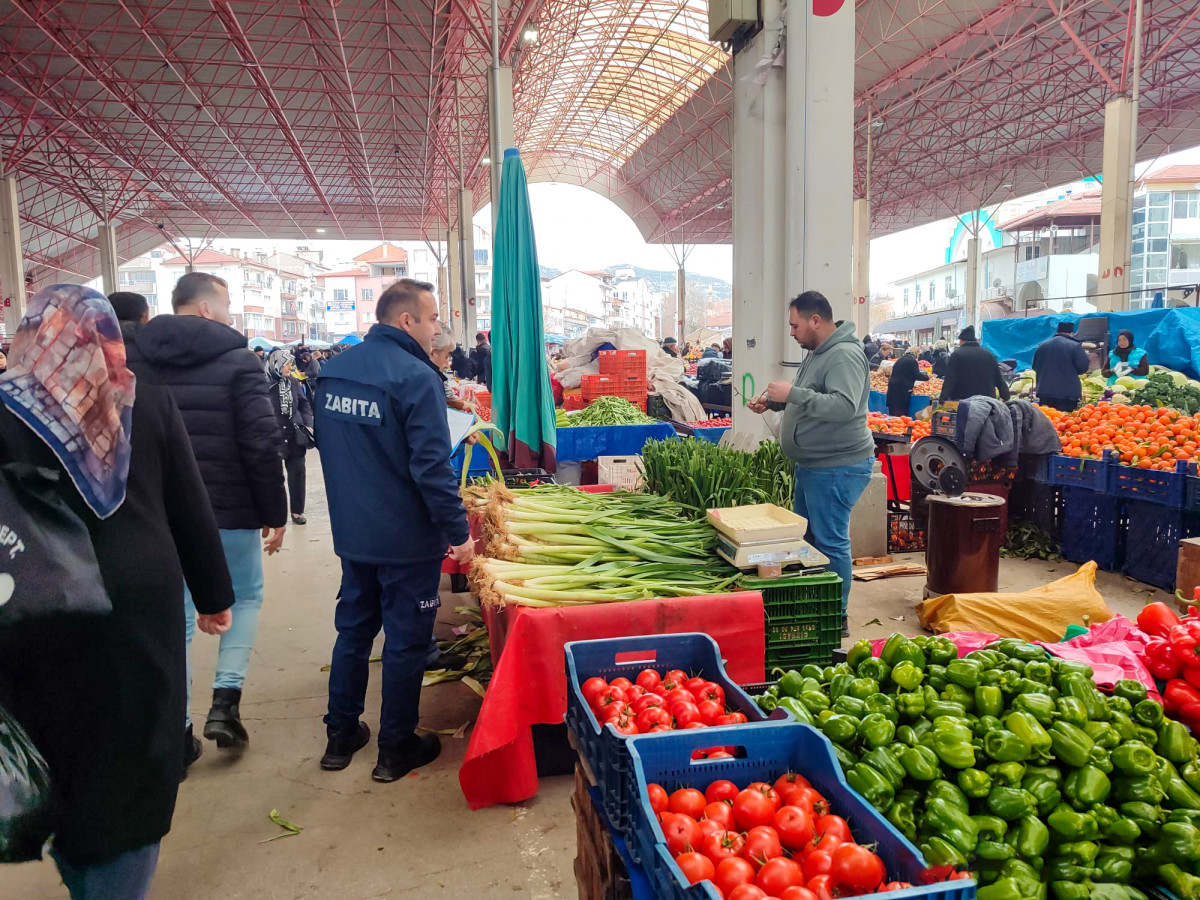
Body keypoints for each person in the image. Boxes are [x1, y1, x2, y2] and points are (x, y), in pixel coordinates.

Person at [0, 285, 233, 900]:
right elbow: (189, 507)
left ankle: (79, 860)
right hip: (134, 608)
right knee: (135, 748)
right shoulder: (142, 401)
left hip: (32, 607)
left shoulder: (4, 409)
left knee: (55, 743)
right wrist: (213, 595)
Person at [315, 279, 473, 782]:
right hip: (406, 539)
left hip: (354, 532)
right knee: (405, 642)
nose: (436, 330)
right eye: (432, 320)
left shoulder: (333, 371)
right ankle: (395, 747)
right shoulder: (415, 377)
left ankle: (340, 736)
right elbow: (431, 468)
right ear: (406, 320)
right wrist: (458, 532)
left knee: (354, 631)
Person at [128, 271, 287, 759]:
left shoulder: (135, 360)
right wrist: (274, 510)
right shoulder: (240, 362)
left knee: (172, 615)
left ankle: (177, 730)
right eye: (226, 303)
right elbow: (260, 443)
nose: (230, 312)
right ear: (204, 309)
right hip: (230, 506)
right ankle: (225, 703)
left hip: (158, 510)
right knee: (242, 598)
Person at [747, 291, 874, 637]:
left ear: (815, 320)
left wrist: (792, 394)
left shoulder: (845, 356)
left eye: (794, 325)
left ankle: (836, 616)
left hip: (836, 467)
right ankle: (818, 606)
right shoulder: (819, 353)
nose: (792, 332)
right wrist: (774, 405)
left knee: (831, 542)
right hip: (815, 466)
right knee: (812, 541)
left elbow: (844, 406)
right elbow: (813, 399)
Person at [266, 349, 314, 525]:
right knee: (273, 476)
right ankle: (274, 513)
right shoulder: (263, 384)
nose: (289, 367)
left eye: (289, 364)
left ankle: (297, 511)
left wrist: (308, 423)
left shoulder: (293, 382)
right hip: (274, 436)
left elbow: (303, 403)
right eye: (286, 364)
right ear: (276, 364)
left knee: (298, 473)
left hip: (295, 434)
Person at [939, 326, 1010, 403]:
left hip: (964, 402)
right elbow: (998, 377)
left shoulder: (957, 354)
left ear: (961, 340)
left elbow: (950, 379)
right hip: (986, 402)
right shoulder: (988, 355)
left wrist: (943, 398)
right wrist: (1005, 395)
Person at [1030, 322, 1090, 412]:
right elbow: (1083, 368)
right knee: (1065, 422)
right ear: (1071, 333)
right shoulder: (1075, 346)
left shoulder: (1042, 346)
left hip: (1045, 392)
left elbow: (1035, 366)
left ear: (1057, 331)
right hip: (1068, 394)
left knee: (1048, 419)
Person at [886, 347, 930, 417]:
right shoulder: (912, 361)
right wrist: (927, 377)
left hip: (893, 387)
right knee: (901, 412)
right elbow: (916, 374)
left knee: (893, 411)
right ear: (916, 354)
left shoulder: (900, 360)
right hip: (902, 389)